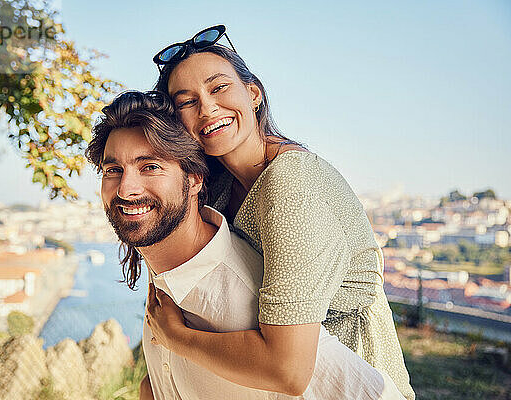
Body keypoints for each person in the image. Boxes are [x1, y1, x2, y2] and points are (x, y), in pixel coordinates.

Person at [148, 25, 415, 400]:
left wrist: (177, 337)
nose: (207, 108)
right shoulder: (219, 187)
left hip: (351, 384)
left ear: (253, 93)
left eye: (218, 87)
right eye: (186, 101)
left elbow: (287, 370)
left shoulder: (291, 185)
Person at [85, 90, 405, 399]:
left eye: (150, 167)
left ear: (195, 179)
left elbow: (350, 388)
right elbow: (160, 382)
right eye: (113, 170)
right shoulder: (167, 268)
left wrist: (179, 339)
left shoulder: (244, 301)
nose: (126, 189)